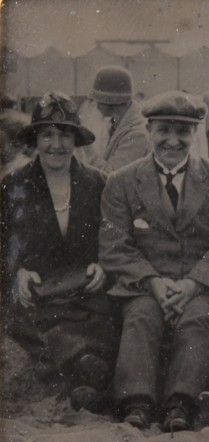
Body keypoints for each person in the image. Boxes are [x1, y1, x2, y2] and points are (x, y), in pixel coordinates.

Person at [99, 90, 209, 432]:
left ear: (195, 135)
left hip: (199, 286)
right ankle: (137, 402)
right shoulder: (121, 182)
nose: (172, 141)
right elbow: (114, 244)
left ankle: (181, 402)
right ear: (148, 131)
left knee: (200, 318)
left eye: (183, 132)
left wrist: (193, 284)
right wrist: (153, 282)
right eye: (164, 130)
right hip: (145, 286)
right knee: (141, 316)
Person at [1, 91, 120, 413]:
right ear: (35, 139)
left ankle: (87, 377)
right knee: (32, 323)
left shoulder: (98, 183)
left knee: (107, 315)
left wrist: (104, 265)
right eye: (47, 134)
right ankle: (85, 372)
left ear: (76, 139)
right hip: (38, 291)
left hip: (85, 287)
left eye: (65, 134)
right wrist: (17, 274)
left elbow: (115, 236)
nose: (57, 144)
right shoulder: (13, 186)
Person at [83, 65, 150, 173]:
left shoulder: (137, 135)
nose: (96, 105)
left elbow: (110, 176)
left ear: (110, 101)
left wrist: (87, 148)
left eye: (98, 100)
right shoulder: (119, 124)